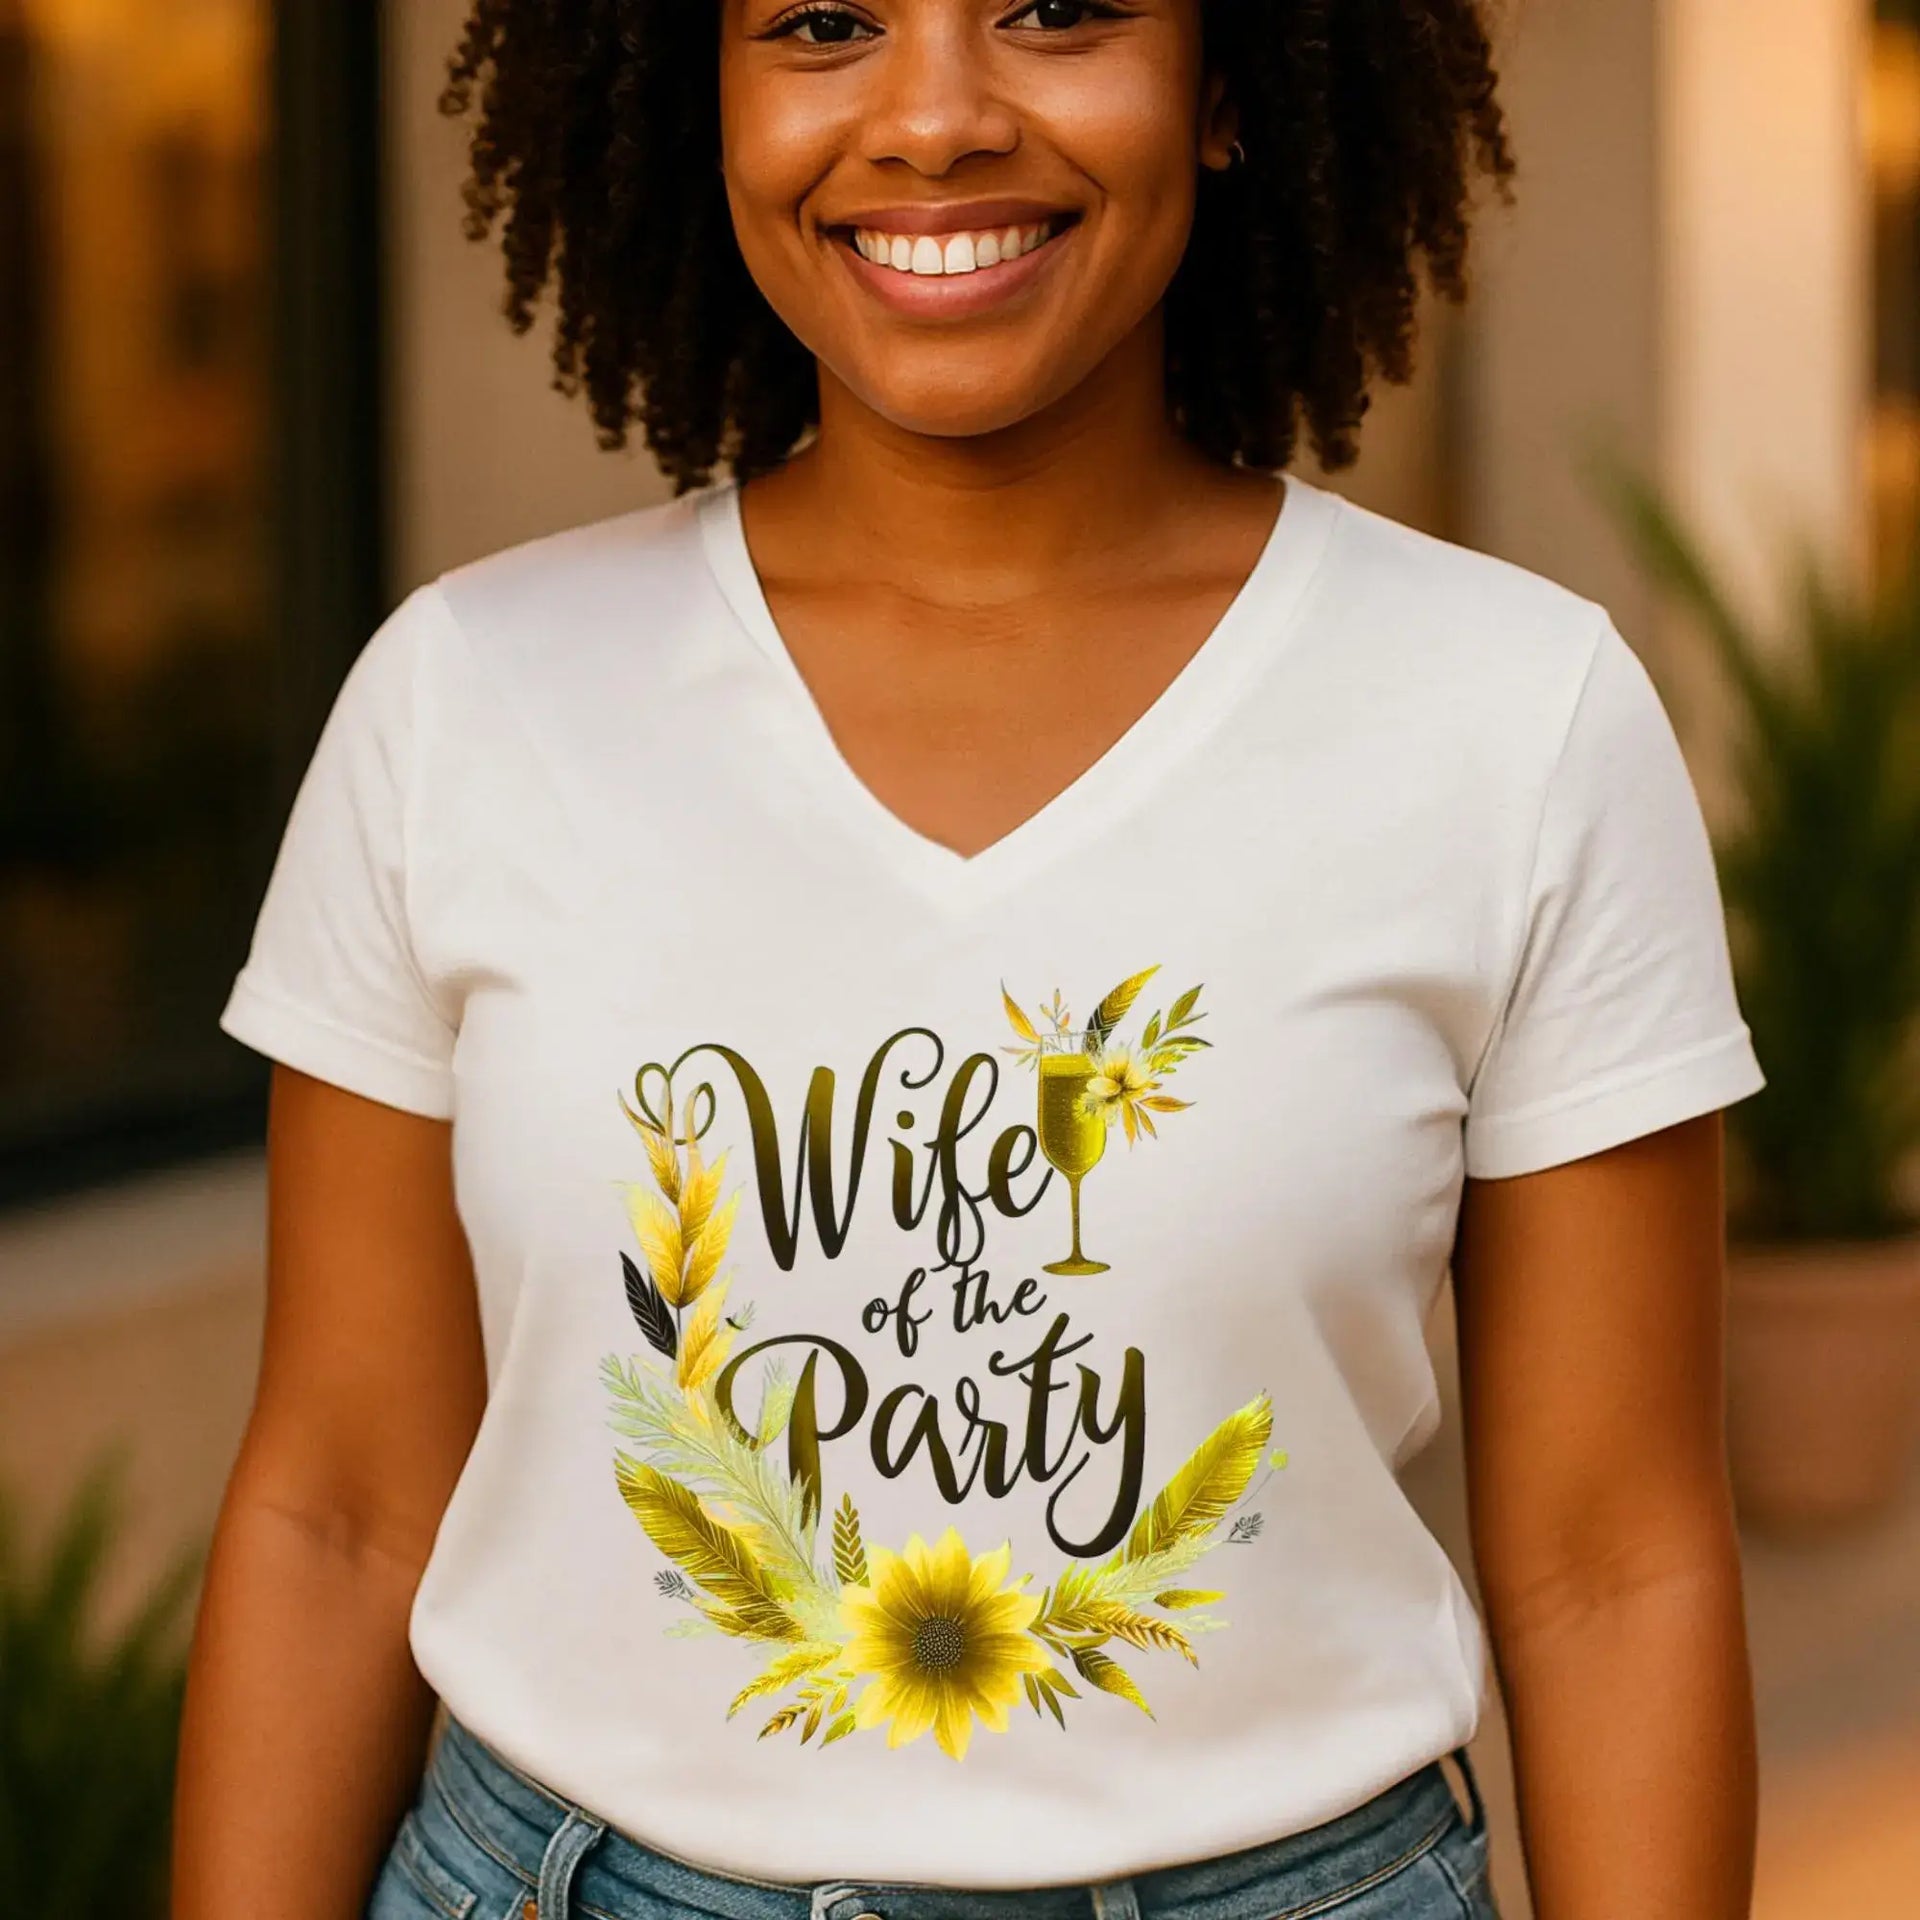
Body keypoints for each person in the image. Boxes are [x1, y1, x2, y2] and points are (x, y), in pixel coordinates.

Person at [171, 3, 1767, 1916]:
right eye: (826, 23)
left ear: (1234, 80)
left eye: (1061, 9)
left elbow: (1614, 1565)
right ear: (707, 94)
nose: (932, 120)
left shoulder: (1514, 719)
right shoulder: (469, 701)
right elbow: (340, 1509)